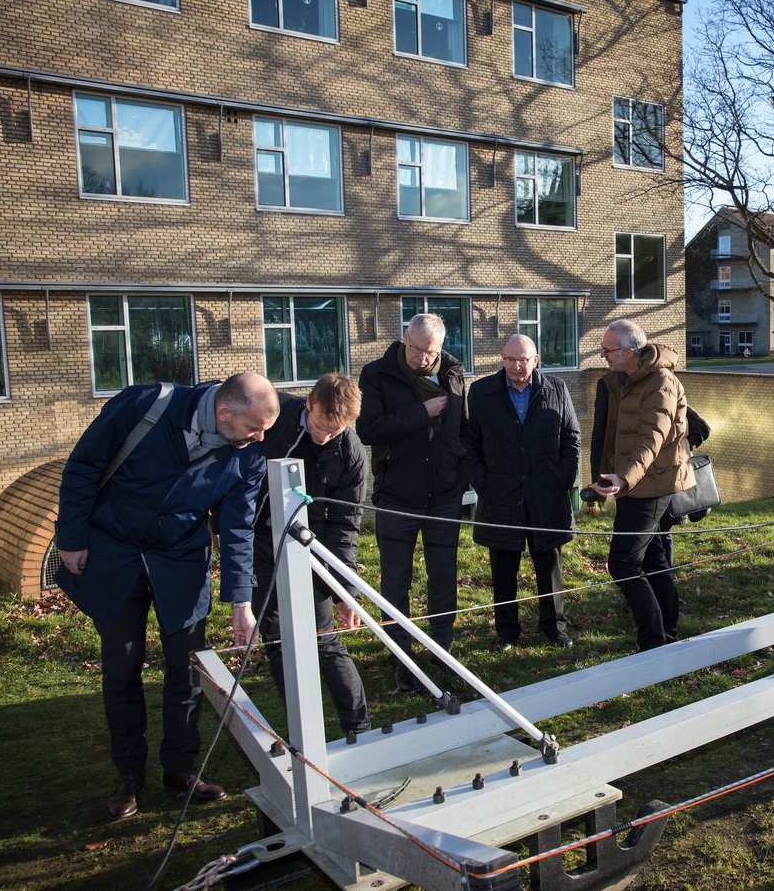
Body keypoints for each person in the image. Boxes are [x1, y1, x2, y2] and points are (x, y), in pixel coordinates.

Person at [56, 373, 279, 819]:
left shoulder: (249, 451)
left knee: (188, 667)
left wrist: (241, 601)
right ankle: (127, 776)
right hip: (115, 553)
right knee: (122, 667)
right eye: (254, 428)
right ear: (222, 413)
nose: (260, 438)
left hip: (180, 562)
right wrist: (71, 536)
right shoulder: (143, 406)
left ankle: (180, 768)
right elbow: (83, 466)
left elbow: (237, 526)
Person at [252, 372, 370, 734]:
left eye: (333, 433)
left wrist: (344, 592)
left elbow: (346, 527)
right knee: (275, 638)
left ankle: (358, 725)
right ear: (308, 405)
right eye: (318, 427)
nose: (322, 438)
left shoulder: (352, 453)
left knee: (324, 638)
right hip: (260, 541)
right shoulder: (274, 419)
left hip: (313, 546)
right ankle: (303, 726)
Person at [357, 314, 469, 692]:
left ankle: (443, 650)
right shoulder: (377, 374)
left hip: (444, 496)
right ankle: (401, 656)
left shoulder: (454, 372)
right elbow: (368, 428)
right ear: (405, 338)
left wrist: (459, 475)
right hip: (396, 497)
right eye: (416, 348)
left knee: (443, 577)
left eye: (430, 351)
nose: (422, 357)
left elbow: (462, 429)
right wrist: (422, 413)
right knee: (395, 581)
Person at [466, 334, 579, 650]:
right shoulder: (481, 392)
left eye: (523, 359)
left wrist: (562, 478)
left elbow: (572, 437)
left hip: (546, 494)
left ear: (536, 359)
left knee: (549, 565)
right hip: (501, 494)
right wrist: (484, 482)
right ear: (502, 360)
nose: (517, 367)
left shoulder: (556, 389)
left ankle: (554, 627)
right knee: (503, 569)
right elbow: (470, 444)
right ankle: (506, 632)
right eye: (510, 360)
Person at [592, 319, 694, 652]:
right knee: (654, 561)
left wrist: (626, 478)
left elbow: (651, 438)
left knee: (623, 563)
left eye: (607, 350)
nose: (602, 355)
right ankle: (667, 632)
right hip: (635, 485)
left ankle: (653, 640)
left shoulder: (661, 382)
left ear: (630, 352)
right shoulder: (624, 379)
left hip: (648, 487)